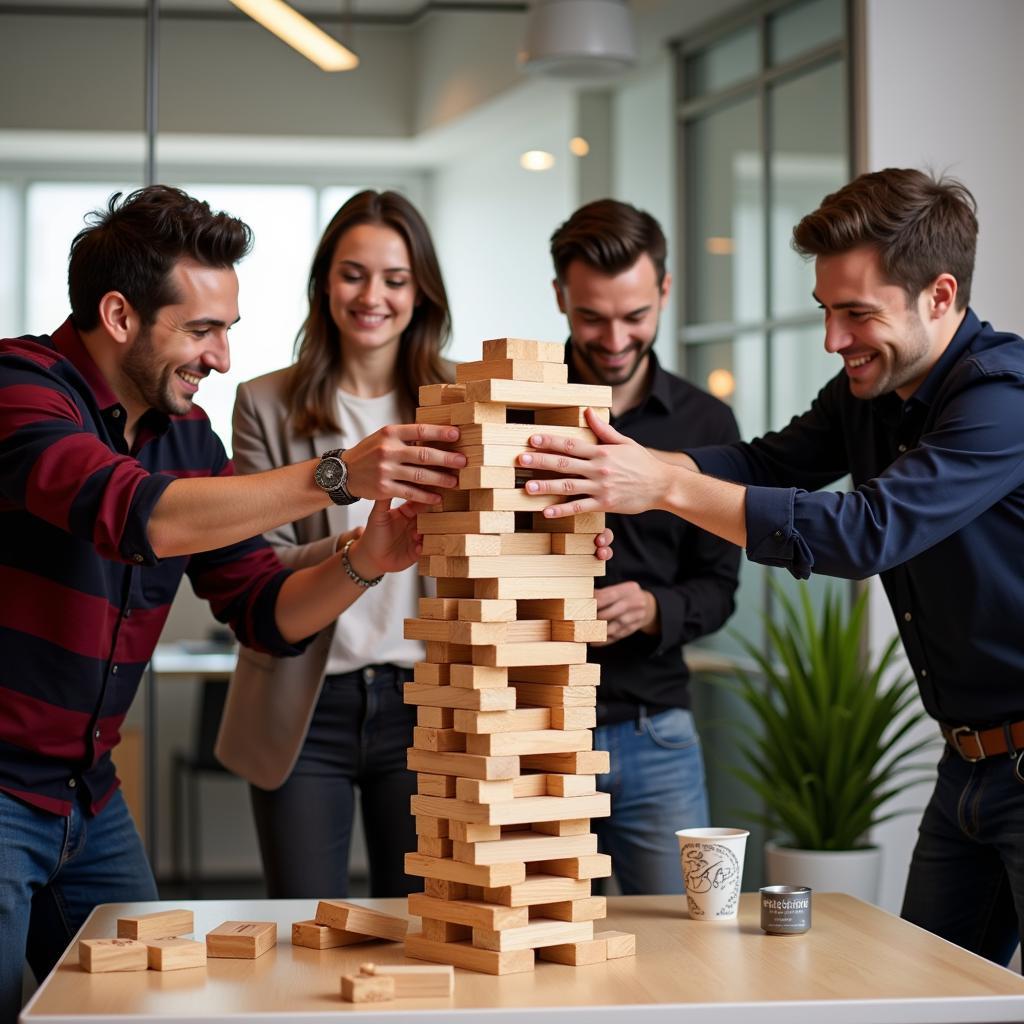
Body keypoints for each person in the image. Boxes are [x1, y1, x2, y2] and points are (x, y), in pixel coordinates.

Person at [518, 168, 1024, 966]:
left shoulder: (1004, 400)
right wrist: (622, 463)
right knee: (931, 996)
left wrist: (665, 484)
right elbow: (764, 462)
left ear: (939, 294)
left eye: (857, 314)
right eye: (827, 312)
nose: (833, 340)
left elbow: (868, 532)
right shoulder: (870, 391)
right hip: (967, 764)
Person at [0, 184, 477, 1022]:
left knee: (147, 1004)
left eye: (228, 331)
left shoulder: (186, 435)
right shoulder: (20, 388)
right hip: (4, 792)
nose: (221, 359)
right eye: (201, 331)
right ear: (118, 316)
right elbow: (133, 512)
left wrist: (367, 557)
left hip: (87, 794)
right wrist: (334, 476)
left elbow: (266, 609)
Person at [215, 190, 452, 898]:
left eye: (395, 278)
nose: (372, 295)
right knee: (302, 928)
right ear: (324, 282)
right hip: (303, 702)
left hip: (428, 699)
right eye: (353, 273)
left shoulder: (461, 404)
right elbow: (259, 563)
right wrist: (361, 548)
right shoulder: (265, 402)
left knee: (422, 925)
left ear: (421, 294)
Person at [546, 199, 740, 894]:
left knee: (686, 950)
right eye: (592, 317)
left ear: (664, 290)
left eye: (635, 316)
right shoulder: (516, 414)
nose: (616, 338)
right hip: (534, 731)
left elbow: (721, 587)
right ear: (560, 296)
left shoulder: (706, 422)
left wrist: (657, 606)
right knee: (540, 953)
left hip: (657, 733)